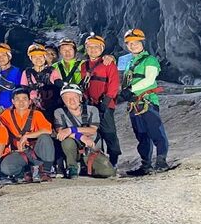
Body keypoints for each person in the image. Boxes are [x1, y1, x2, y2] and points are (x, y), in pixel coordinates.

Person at [120, 28, 170, 176]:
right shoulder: (129, 62)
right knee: (141, 136)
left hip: (147, 101)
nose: (133, 45)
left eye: (136, 42)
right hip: (134, 104)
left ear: (142, 43)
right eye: (129, 43)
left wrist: (131, 90)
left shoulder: (150, 60)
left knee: (156, 131)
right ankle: (146, 165)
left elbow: (149, 79)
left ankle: (161, 161)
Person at [53, 84, 114, 179]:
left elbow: (92, 130)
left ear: (80, 98)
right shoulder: (59, 112)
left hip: (90, 149)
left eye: (74, 97)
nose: (71, 101)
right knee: (67, 142)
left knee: (107, 172)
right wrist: (80, 136)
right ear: (63, 101)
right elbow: (61, 133)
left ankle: (86, 167)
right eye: (67, 98)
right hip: (72, 151)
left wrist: (71, 130)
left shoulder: (92, 110)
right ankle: (71, 167)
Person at [79, 33, 122, 166]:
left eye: (96, 47)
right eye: (90, 47)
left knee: (109, 133)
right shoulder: (84, 66)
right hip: (90, 105)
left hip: (105, 104)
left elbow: (114, 84)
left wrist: (107, 101)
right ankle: (99, 161)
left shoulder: (108, 64)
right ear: (86, 49)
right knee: (94, 133)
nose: (93, 49)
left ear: (102, 49)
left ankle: (113, 161)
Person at [0, 88, 54, 182]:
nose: (21, 102)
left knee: (45, 138)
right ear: (13, 101)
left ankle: (45, 171)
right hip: (19, 152)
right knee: (6, 167)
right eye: (17, 99)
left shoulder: (37, 114)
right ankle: (25, 171)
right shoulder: (7, 114)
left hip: (35, 151)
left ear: (29, 101)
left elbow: (48, 130)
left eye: (24, 99)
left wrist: (27, 136)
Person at [21, 43, 58, 115]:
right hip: (31, 107)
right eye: (34, 57)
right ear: (31, 58)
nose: (38, 59)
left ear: (44, 57)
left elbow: (58, 87)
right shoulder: (26, 73)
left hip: (50, 106)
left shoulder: (53, 71)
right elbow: (23, 91)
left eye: (40, 56)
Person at [0, 42, 22, 111]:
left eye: (3, 55)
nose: (0, 58)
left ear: (9, 56)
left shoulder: (17, 72)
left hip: (13, 110)